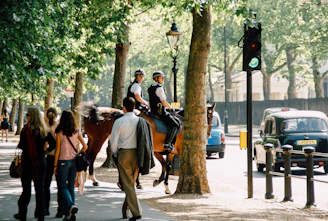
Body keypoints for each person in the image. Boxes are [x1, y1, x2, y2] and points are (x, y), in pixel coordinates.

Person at [14, 106, 56, 221]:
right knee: (40, 189)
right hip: (41, 160)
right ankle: (40, 215)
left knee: (26, 189)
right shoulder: (44, 129)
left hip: (28, 161)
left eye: (27, 115)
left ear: (31, 116)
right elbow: (53, 143)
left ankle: (22, 214)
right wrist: (45, 151)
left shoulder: (25, 130)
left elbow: (21, 145)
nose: (26, 117)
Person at [110, 97, 142, 221]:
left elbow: (113, 141)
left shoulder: (119, 121)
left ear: (124, 107)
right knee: (131, 183)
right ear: (134, 107)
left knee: (128, 184)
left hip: (124, 153)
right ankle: (126, 207)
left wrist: (115, 153)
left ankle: (136, 212)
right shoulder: (140, 121)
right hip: (137, 154)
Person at [54, 110, 88, 221]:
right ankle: (70, 214)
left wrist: (55, 165)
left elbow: (58, 150)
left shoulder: (59, 132)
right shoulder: (76, 131)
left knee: (62, 186)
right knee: (70, 187)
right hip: (73, 161)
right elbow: (85, 146)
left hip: (63, 161)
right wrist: (78, 153)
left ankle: (70, 205)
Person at [148, 71, 180, 152]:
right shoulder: (159, 88)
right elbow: (164, 102)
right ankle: (167, 143)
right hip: (160, 112)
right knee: (175, 124)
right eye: (161, 77)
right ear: (156, 78)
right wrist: (171, 108)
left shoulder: (151, 87)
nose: (163, 79)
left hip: (152, 111)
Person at [43, 107, 63, 218]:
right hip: (59, 157)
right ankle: (60, 210)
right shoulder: (59, 127)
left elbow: (45, 144)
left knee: (46, 184)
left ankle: (46, 208)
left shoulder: (45, 128)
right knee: (60, 185)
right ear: (56, 115)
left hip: (49, 157)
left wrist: (45, 151)